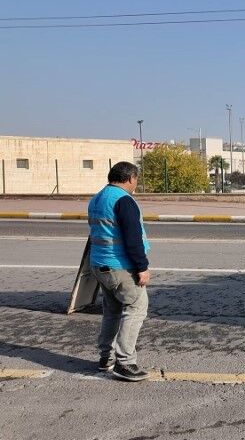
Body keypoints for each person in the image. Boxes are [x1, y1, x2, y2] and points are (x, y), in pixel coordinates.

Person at [88, 162, 152, 382]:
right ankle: (125, 362)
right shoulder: (124, 200)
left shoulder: (98, 197)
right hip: (119, 266)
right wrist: (142, 267)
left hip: (99, 264)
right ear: (130, 179)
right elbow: (132, 238)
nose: (136, 184)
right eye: (136, 180)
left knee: (113, 311)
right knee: (136, 308)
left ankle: (106, 357)